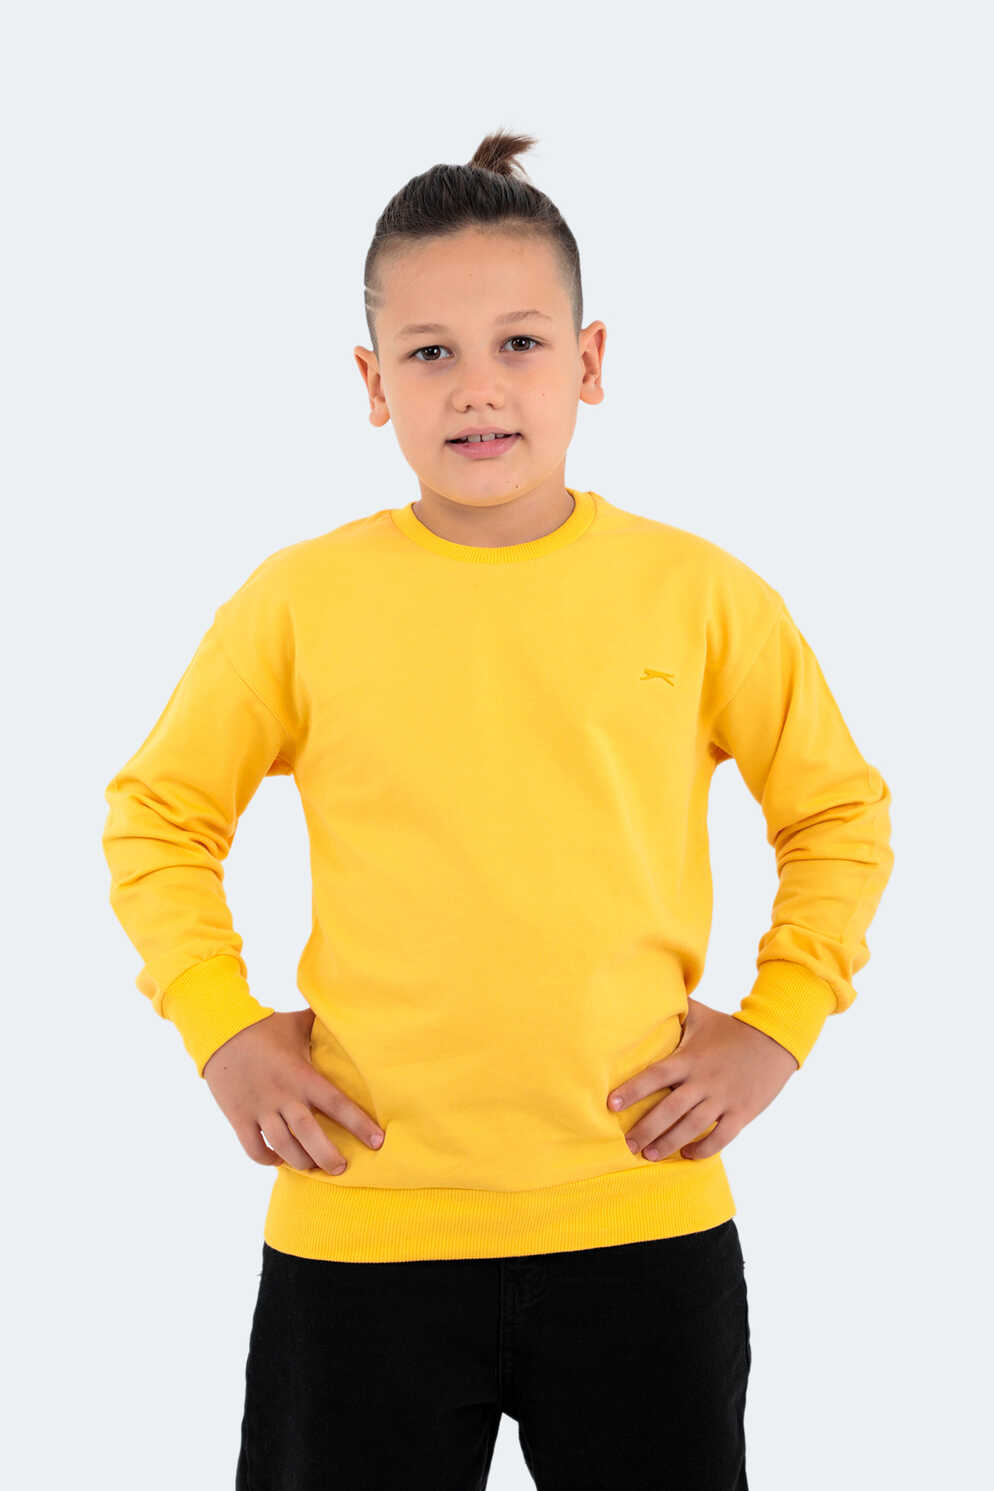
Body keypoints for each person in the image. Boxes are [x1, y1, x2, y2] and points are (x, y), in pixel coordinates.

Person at [101, 128, 894, 1491]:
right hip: (363, 1232)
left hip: (641, 1225)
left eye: (519, 344)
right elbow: (159, 817)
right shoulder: (298, 604)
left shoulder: (701, 596)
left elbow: (836, 816)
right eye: (429, 353)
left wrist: (777, 1026)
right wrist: (220, 1027)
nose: (477, 387)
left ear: (589, 361)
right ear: (373, 384)